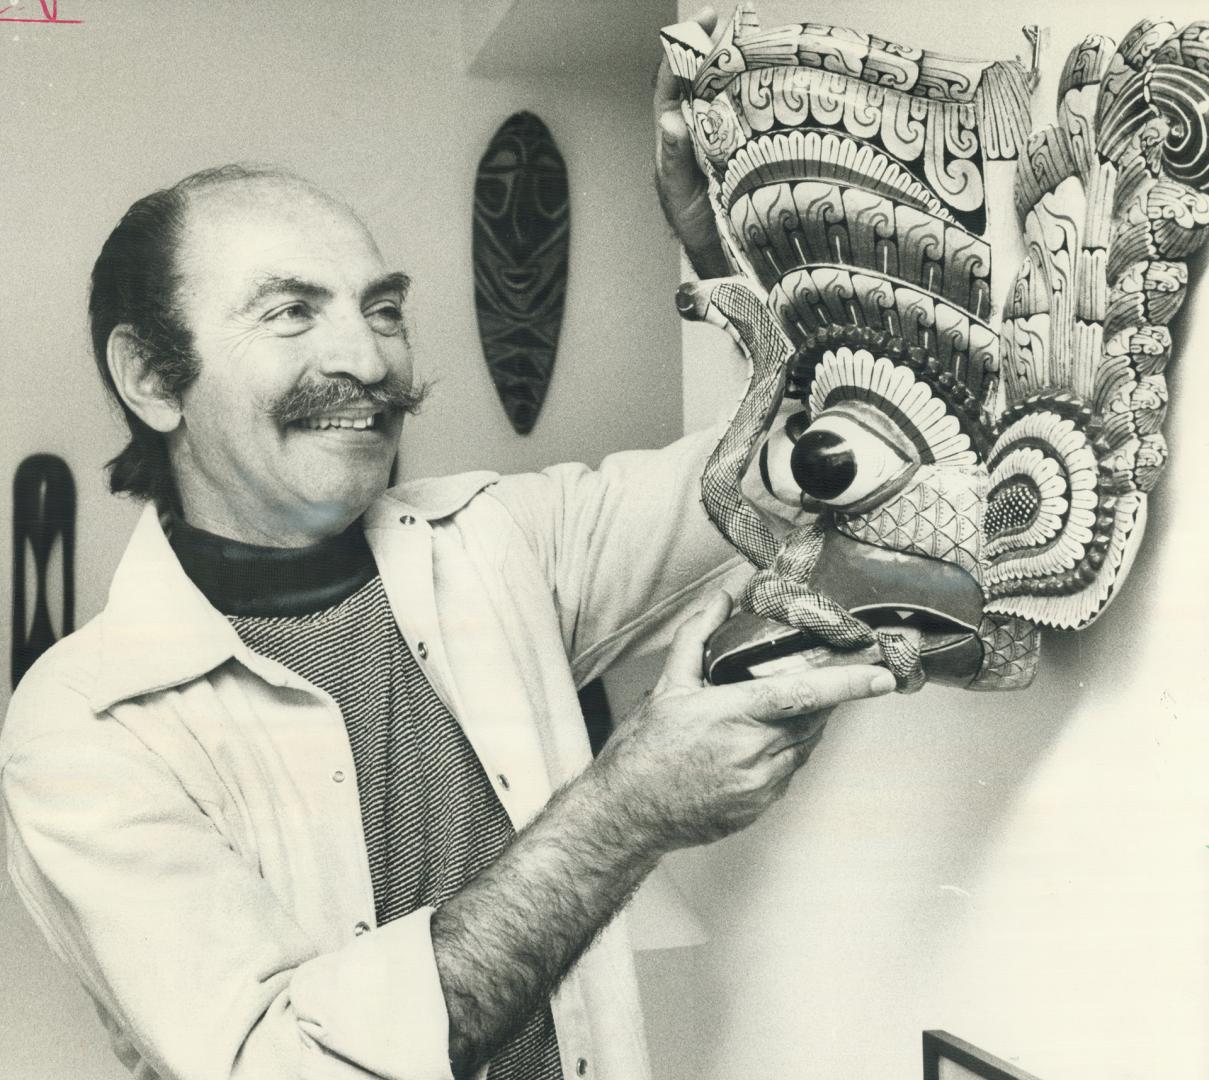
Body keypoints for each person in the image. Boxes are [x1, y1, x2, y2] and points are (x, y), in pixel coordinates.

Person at [0, 25, 895, 1080]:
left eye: (384, 309)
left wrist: (737, 262)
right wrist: (627, 811)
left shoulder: (497, 541)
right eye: (291, 313)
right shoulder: (84, 727)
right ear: (153, 377)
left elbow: (793, 461)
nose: (367, 359)